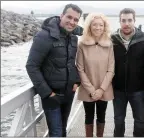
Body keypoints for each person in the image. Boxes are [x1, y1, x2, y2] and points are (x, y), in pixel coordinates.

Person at [26, 4, 82, 137]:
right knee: (56, 133)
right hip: (52, 95)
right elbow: (32, 66)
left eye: (76, 20)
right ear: (61, 16)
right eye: (69, 17)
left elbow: (71, 63)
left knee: (63, 130)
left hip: (68, 93)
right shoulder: (44, 36)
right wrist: (47, 93)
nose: (72, 22)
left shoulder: (73, 38)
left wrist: (76, 81)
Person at [111, 8, 144, 137]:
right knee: (118, 119)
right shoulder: (112, 39)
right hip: (117, 89)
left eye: (129, 20)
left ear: (134, 21)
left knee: (139, 119)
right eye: (123, 20)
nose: (126, 23)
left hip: (138, 89)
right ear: (119, 21)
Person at [76, 13, 115, 137]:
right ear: (89, 26)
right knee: (88, 116)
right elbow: (80, 69)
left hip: (104, 88)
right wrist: (92, 90)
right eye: (94, 25)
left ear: (105, 27)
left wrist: (101, 89)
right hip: (88, 89)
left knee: (102, 116)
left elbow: (111, 69)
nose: (98, 28)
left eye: (101, 25)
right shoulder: (82, 44)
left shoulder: (109, 44)